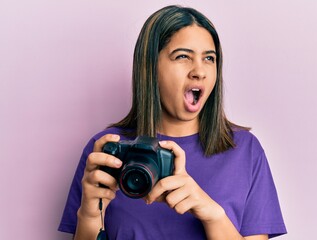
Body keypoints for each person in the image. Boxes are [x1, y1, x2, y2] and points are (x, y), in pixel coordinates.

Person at [58, 5, 287, 240]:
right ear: (150, 67)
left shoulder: (245, 151)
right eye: (183, 57)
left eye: (209, 58)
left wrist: (213, 215)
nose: (199, 71)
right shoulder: (107, 151)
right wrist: (89, 215)